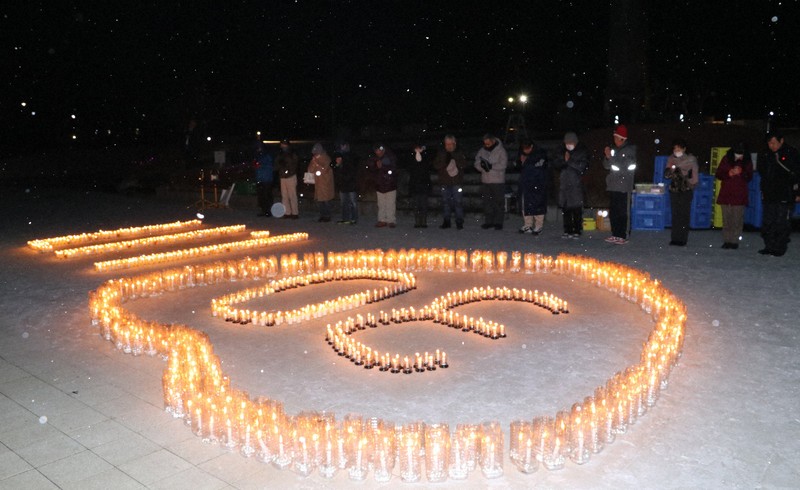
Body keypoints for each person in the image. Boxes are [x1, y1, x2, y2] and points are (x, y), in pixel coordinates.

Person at [758, 132, 800, 256]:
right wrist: (763, 191)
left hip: (785, 193)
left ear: (781, 141)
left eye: (774, 143)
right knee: (768, 221)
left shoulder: (791, 153)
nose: (772, 146)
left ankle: (779, 247)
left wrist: (797, 192)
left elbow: (797, 174)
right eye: (769, 143)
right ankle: (769, 245)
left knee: (782, 222)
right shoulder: (765, 154)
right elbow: (763, 174)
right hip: (770, 193)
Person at [714, 142, 754, 249]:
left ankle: (734, 240)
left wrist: (742, 172)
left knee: (737, 219)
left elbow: (749, 176)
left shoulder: (747, 160)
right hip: (727, 193)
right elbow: (718, 173)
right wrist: (728, 173)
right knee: (726, 219)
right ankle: (727, 240)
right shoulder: (726, 158)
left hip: (739, 194)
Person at [603, 124, 637, 244]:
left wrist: (610, 158)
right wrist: (607, 158)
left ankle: (624, 235)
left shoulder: (630, 151)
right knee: (614, 211)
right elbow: (607, 166)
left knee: (623, 211)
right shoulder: (614, 150)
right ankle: (615, 234)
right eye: (614, 138)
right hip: (613, 184)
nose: (615, 140)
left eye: (616, 138)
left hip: (624, 185)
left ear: (622, 138)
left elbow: (623, 167)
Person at [551, 132, 589, 238]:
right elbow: (556, 164)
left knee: (576, 208)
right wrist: (564, 161)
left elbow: (582, 167)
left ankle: (577, 230)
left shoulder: (581, 151)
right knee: (566, 208)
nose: (569, 144)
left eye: (571, 142)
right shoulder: (560, 151)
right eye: (567, 143)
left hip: (576, 184)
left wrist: (569, 161)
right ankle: (567, 230)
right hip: (564, 184)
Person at [663, 139, 699, 246]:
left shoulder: (691, 159)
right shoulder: (671, 159)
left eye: (679, 148)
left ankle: (682, 239)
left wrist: (689, 184)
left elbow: (695, 177)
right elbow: (667, 175)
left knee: (684, 215)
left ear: (684, 149)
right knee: (675, 214)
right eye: (675, 148)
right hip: (674, 189)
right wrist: (672, 170)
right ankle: (675, 238)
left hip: (686, 190)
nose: (676, 150)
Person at [432, 135, 468, 230]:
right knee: (445, 203)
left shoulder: (459, 152)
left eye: (450, 143)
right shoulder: (441, 153)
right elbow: (435, 165)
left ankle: (459, 221)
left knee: (458, 202)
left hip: (457, 182)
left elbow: (464, 165)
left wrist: (455, 157)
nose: (448, 146)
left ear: (454, 143)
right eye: (447, 144)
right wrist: (444, 162)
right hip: (444, 182)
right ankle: (446, 221)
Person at [474, 134, 508, 230]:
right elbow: (476, 162)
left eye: (488, 143)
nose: (486, 145)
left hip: (498, 181)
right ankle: (489, 221)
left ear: (493, 141)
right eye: (485, 143)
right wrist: (483, 167)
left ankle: (498, 222)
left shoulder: (501, 150)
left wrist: (491, 166)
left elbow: (503, 165)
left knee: (498, 202)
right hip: (486, 181)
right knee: (487, 202)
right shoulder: (482, 150)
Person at [515, 140, 549, 234]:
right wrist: (520, 163)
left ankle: (538, 226)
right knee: (525, 204)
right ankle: (528, 225)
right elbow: (518, 166)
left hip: (538, 183)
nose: (525, 151)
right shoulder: (521, 153)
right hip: (525, 182)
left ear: (531, 146)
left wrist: (526, 163)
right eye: (523, 149)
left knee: (538, 203)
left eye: (527, 149)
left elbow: (539, 168)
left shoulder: (540, 153)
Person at [368, 143, 398, 228]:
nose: (378, 153)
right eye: (376, 152)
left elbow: (393, 169)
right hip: (379, 184)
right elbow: (370, 168)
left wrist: (383, 167)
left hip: (390, 184)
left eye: (379, 151)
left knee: (390, 203)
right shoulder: (374, 158)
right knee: (381, 204)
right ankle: (382, 220)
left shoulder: (390, 156)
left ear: (383, 149)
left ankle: (391, 220)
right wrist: (375, 166)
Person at [333, 141, 359, 224]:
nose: (342, 147)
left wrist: (347, 177)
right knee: (344, 203)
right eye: (341, 146)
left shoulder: (352, 156)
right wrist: (337, 165)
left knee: (352, 202)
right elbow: (335, 169)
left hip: (350, 183)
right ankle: (345, 218)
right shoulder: (339, 156)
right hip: (343, 184)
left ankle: (354, 219)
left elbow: (353, 170)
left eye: (343, 145)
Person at [307, 143, 334, 222]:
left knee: (326, 200)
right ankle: (322, 215)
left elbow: (324, 169)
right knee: (320, 200)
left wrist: (317, 164)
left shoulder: (326, 158)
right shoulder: (314, 159)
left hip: (325, 183)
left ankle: (327, 216)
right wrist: (313, 163)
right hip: (318, 183)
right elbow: (310, 170)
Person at [407, 143, 432, 228]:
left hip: (424, 183)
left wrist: (423, 152)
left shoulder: (426, 155)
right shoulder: (411, 156)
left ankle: (423, 221)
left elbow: (428, 166)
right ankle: (417, 221)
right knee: (416, 204)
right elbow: (409, 167)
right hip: (415, 184)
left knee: (423, 204)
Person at [275, 139, 300, 219]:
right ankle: (287, 212)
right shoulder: (280, 153)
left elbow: (295, 164)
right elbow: (276, 163)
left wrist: (288, 171)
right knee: (284, 195)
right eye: (282, 144)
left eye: (284, 144)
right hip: (282, 176)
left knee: (292, 195)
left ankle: (295, 213)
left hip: (290, 176)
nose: (283, 146)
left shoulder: (292, 153)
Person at [254, 143, 274, 217]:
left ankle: (268, 211)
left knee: (266, 195)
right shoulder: (258, 156)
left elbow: (269, 166)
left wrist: (260, 165)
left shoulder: (267, 156)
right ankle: (263, 210)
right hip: (260, 178)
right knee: (261, 196)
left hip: (266, 179)